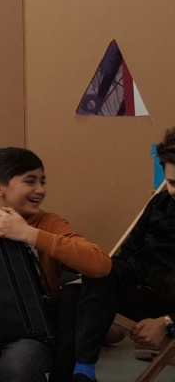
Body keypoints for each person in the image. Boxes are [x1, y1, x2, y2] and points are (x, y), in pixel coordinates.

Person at [0, 147, 111, 382]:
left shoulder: (48, 223)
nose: (41, 190)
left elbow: (101, 264)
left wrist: (29, 234)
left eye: (43, 182)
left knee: (18, 366)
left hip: (30, 335)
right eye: (30, 181)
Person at [72, 128, 175, 381]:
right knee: (96, 273)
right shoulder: (160, 202)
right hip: (146, 289)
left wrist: (167, 322)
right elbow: (128, 253)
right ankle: (83, 369)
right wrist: (101, 278)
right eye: (172, 183)